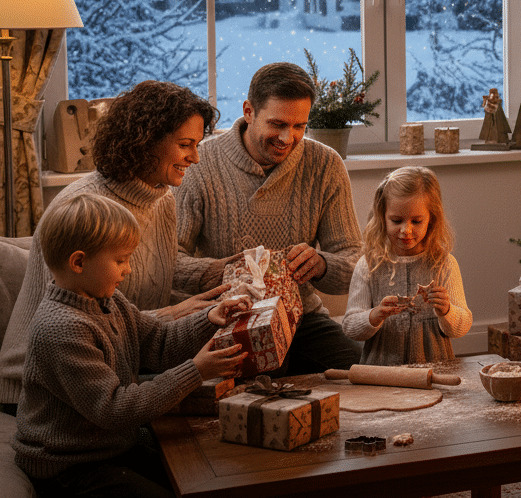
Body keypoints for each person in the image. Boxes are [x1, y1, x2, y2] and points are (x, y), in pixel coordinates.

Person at [0, 81, 228, 412]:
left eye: (197, 145)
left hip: (120, 362)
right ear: (146, 142)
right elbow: (71, 316)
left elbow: (160, 265)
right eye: (185, 145)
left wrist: (217, 271)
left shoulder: (161, 196)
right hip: (43, 389)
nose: (195, 157)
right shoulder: (85, 209)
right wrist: (169, 315)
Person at [13, 194, 249, 498]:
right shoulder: (62, 328)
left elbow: (159, 344)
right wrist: (196, 371)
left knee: (208, 476)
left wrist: (209, 318)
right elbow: (114, 408)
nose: (128, 269)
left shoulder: (108, 299)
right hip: (70, 467)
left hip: (111, 446)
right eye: (120, 260)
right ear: (79, 262)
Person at [176, 61, 362, 374]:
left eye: (299, 126)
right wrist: (224, 271)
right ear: (249, 111)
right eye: (277, 124)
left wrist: (322, 264)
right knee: (251, 389)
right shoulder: (201, 163)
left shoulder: (326, 164)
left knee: (361, 370)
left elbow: (355, 262)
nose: (288, 138)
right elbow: (169, 261)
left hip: (302, 319)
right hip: (228, 318)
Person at [342, 167, 472, 364]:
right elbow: (350, 326)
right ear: (382, 217)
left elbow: (461, 327)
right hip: (383, 374)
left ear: (431, 219)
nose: (406, 230)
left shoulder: (444, 264)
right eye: (396, 220)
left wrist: (447, 311)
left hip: (434, 371)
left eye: (417, 221)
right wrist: (374, 315)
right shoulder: (368, 265)